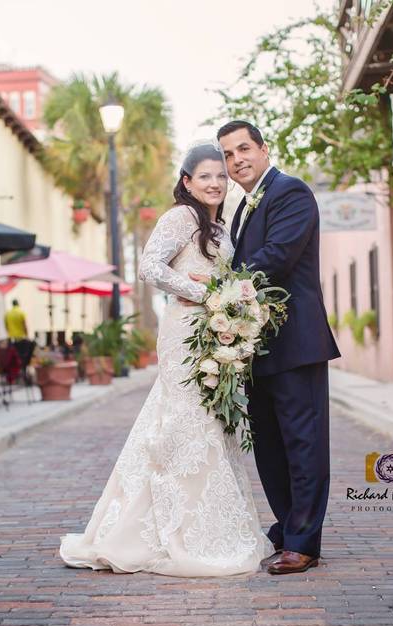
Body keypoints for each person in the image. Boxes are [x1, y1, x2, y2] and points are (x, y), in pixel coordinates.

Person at [58, 140, 274, 577]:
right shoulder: (180, 218)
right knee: (186, 421)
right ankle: (173, 531)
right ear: (187, 182)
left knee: (212, 420)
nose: (215, 182)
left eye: (220, 175)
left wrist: (231, 303)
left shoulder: (218, 225)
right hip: (183, 332)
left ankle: (211, 525)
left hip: (212, 334)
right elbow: (149, 267)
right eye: (205, 176)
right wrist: (208, 294)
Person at [216, 120, 340, 575]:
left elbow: (276, 257)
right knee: (268, 445)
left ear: (264, 149)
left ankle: (304, 542)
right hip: (257, 347)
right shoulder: (242, 207)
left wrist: (219, 284)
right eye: (228, 155)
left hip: (296, 342)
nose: (236, 161)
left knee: (303, 444)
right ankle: (288, 529)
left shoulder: (291, 192)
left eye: (244, 149)